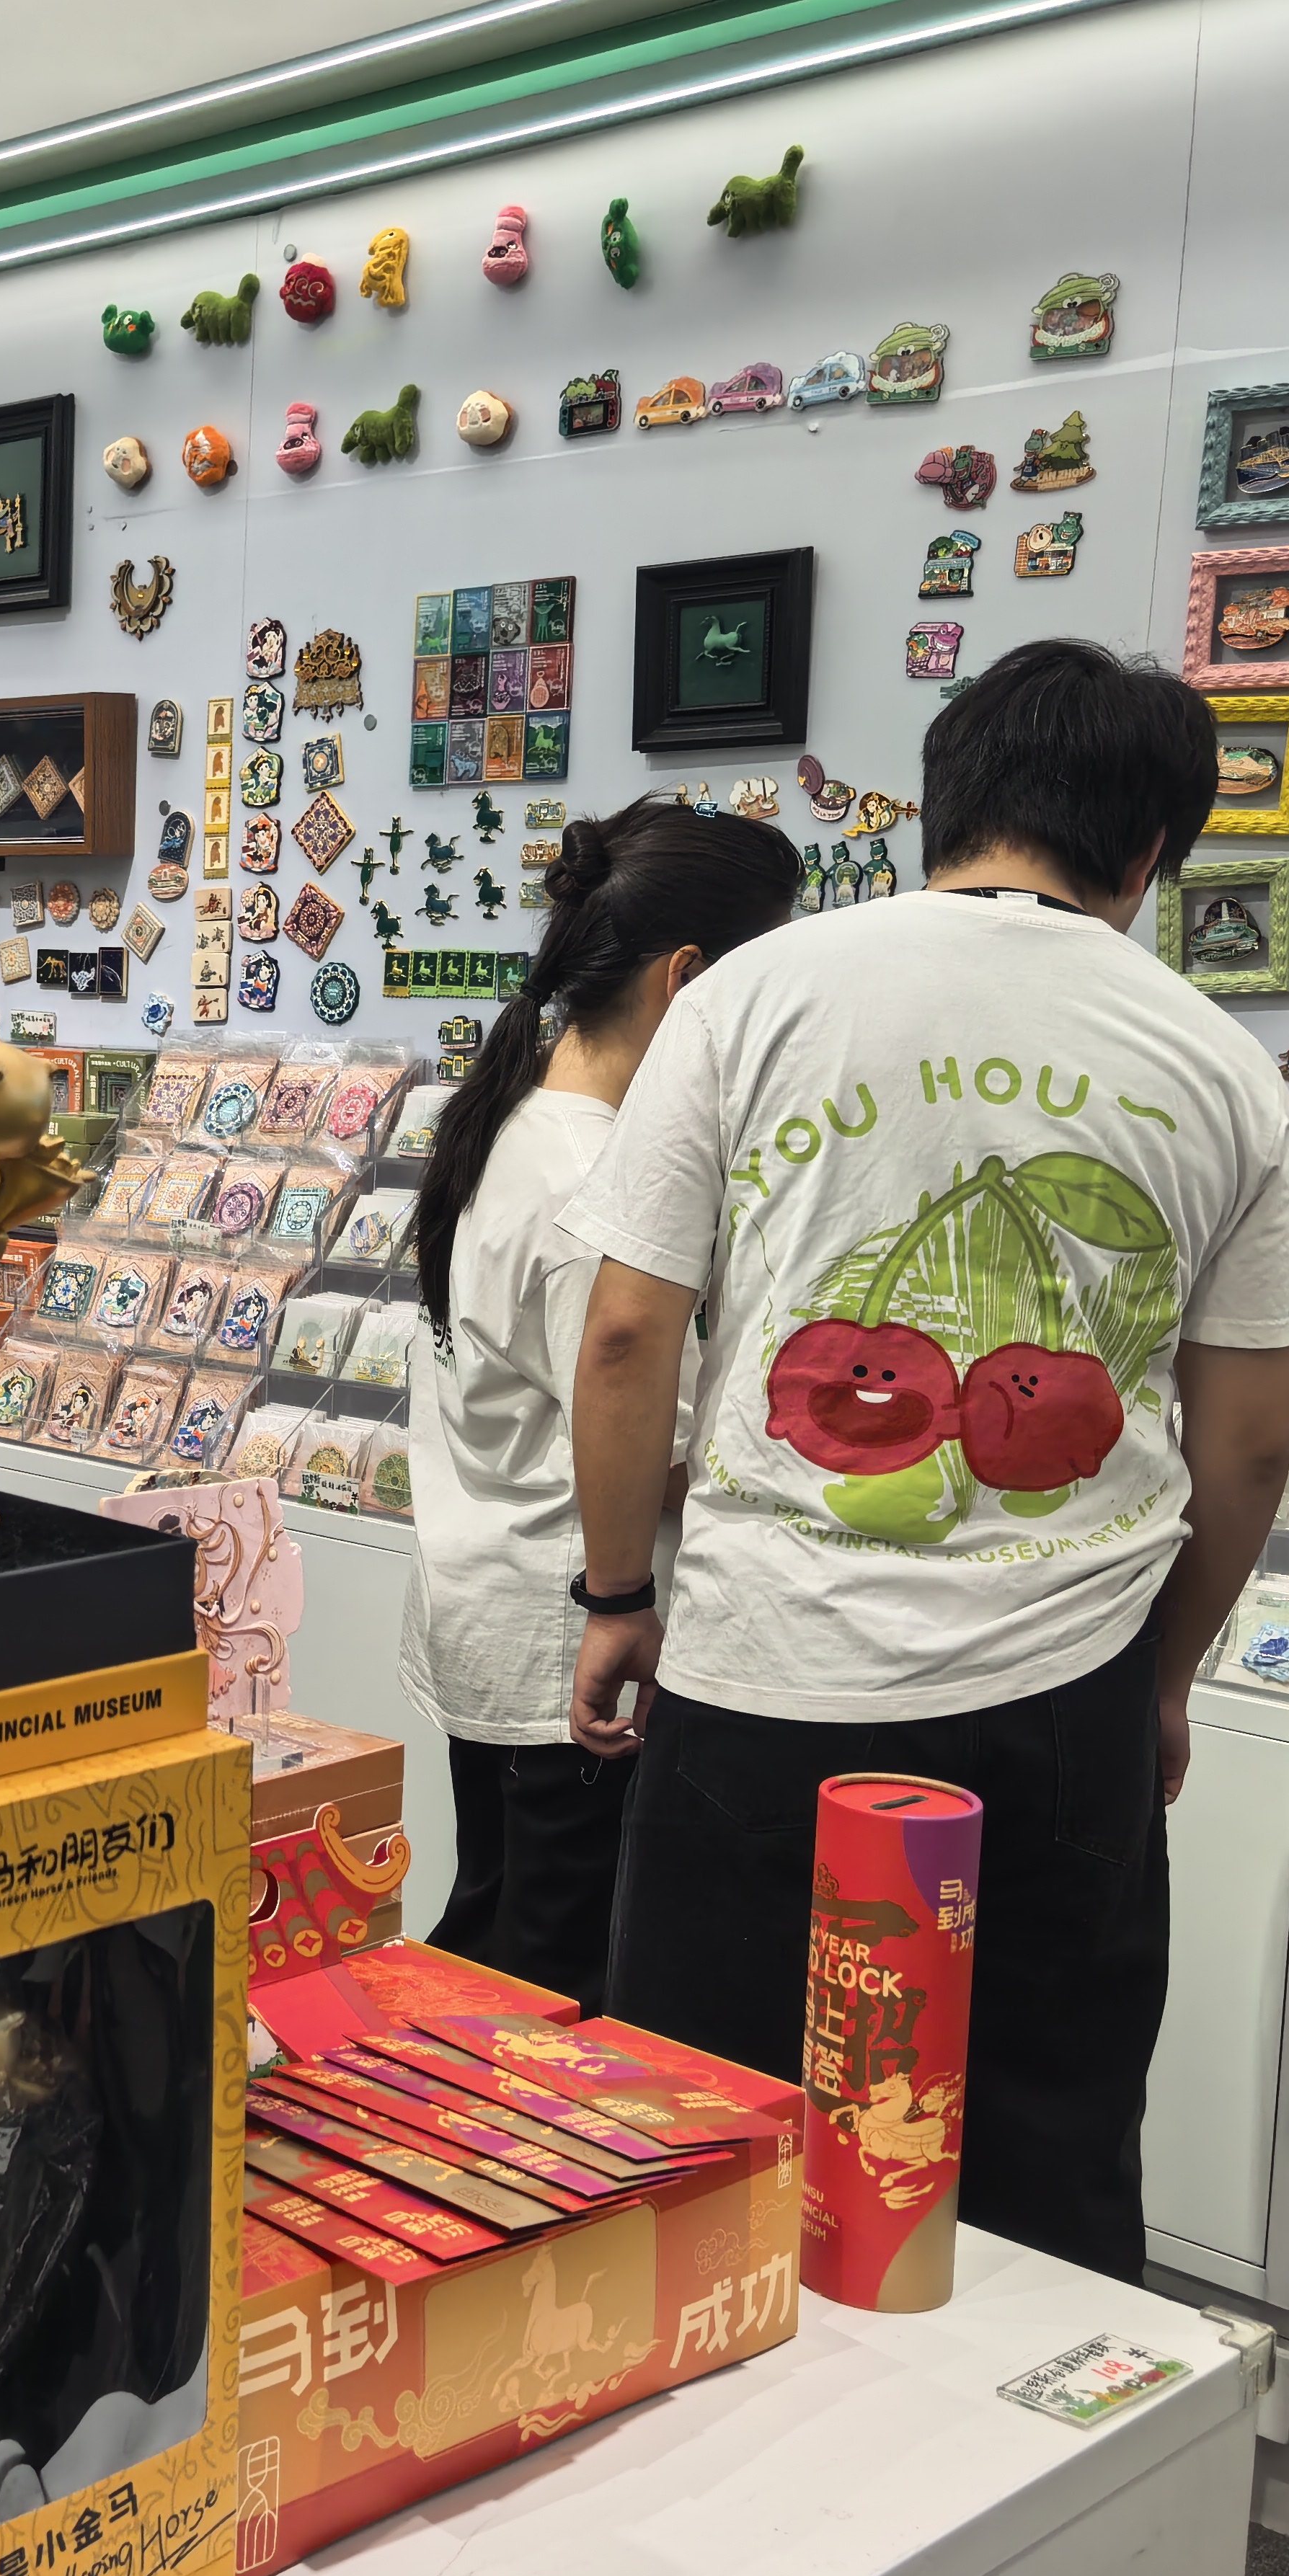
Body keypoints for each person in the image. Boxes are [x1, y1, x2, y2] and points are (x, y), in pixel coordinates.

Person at [562, 641, 1289, 2279]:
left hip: (760, 1680)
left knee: (704, 2150)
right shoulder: (1220, 1066)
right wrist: (1164, 1679)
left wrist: (617, 1594)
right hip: (1060, 1704)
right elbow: (1252, 1447)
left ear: (942, 804)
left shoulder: (751, 998)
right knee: (1039, 2168)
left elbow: (627, 1335)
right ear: (1149, 852)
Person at [402, 800, 797, 2011]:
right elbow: (635, 1433)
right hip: (568, 1640)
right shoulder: (598, 1181)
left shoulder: (517, 1118)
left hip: (498, 1612)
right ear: (690, 981)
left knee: (500, 1940)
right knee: (557, 1991)